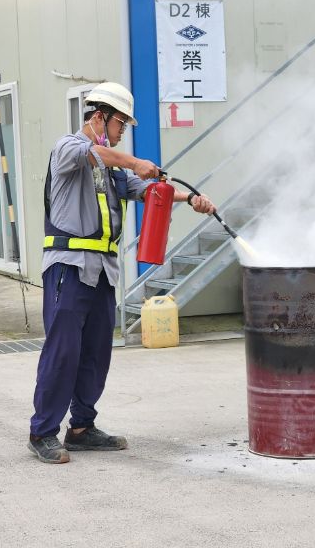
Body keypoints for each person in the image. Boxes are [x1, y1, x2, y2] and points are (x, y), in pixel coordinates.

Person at [28, 82, 215, 464]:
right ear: (99, 118)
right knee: (63, 352)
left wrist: (191, 199)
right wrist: (133, 161)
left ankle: (81, 428)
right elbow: (96, 154)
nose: (122, 132)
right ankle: (42, 432)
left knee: (95, 354)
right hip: (69, 267)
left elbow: (148, 191)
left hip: (102, 273)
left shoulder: (112, 172)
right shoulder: (68, 148)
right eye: (120, 125)